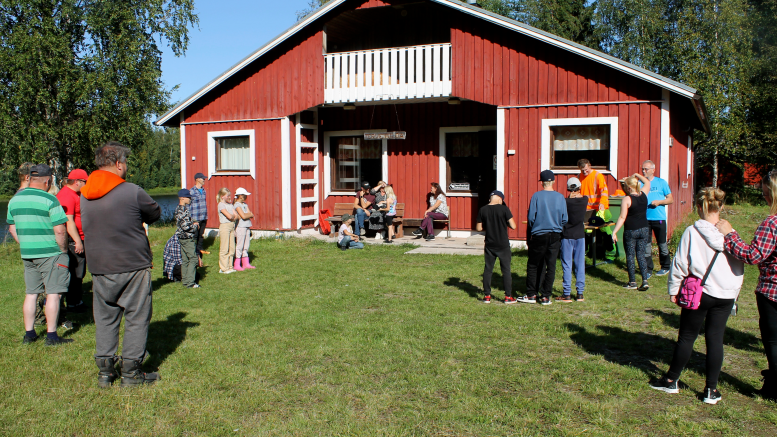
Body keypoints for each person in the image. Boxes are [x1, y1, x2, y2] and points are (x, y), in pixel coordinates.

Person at [650, 187, 744, 405]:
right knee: (715, 340)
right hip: (724, 294)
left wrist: (674, 289)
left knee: (687, 336)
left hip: (698, 292)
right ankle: (711, 390)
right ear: (721, 206)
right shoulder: (731, 233)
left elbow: (680, 264)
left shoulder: (692, 232)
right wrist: (734, 294)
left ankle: (671, 380)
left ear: (699, 206)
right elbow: (739, 265)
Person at [81, 141, 161, 387]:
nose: (126, 168)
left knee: (105, 318)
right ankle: (131, 373)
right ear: (118, 164)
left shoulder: (84, 193)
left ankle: (105, 373)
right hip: (132, 264)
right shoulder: (131, 191)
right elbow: (155, 212)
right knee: (137, 317)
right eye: (125, 163)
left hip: (99, 265)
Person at [716, 169, 777, 401]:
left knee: (773, 340)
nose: (763, 198)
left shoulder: (772, 222)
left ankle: (774, 388)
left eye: (765, 194)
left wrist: (730, 234)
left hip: (772, 291)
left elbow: (753, 255)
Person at [7, 164, 73, 346]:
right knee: (53, 293)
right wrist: (63, 250)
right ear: (47, 180)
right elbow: (60, 231)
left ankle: (29, 334)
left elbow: (13, 228)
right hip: (50, 252)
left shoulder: (14, 200)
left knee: (31, 293)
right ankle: (51, 336)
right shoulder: (50, 200)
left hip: (28, 253)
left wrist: (26, 244)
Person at [519, 170, 567, 305]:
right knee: (551, 265)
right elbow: (565, 218)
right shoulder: (560, 197)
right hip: (555, 235)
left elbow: (531, 218)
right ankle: (546, 296)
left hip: (539, 234)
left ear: (542, 182)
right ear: (553, 181)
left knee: (534, 264)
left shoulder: (536, 196)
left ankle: (531, 294)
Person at [56, 169, 89, 313]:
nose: (86, 184)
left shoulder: (74, 194)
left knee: (79, 272)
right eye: (84, 182)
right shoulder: (67, 195)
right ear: (77, 182)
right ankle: (73, 303)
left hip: (79, 237)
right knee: (75, 272)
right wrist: (77, 241)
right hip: (73, 239)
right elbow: (69, 221)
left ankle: (77, 300)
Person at [477, 190, 517, 304]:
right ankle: (508, 296)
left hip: (490, 243)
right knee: (506, 270)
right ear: (500, 199)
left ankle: (487, 296)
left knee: (488, 269)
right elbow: (513, 226)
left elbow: (479, 228)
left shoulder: (483, 210)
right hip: (503, 244)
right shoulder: (504, 209)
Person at [612, 174, 651, 290]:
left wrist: (614, 232)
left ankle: (632, 282)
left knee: (630, 255)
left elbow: (622, 217)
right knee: (641, 255)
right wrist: (638, 175)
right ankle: (645, 281)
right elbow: (648, 183)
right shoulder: (644, 195)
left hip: (631, 231)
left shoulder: (627, 199)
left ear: (629, 188)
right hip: (644, 229)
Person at [642, 160, 674, 277]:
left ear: (653, 170)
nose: (643, 171)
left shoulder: (661, 183)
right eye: (642, 169)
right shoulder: (640, 183)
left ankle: (665, 267)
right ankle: (648, 269)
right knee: (646, 244)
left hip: (659, 218)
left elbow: (670, 199)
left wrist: (660, 202)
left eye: (646, 169)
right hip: (645, 218)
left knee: (662, 243)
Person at [559, 177, 588, 302]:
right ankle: (580, 293)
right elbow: (582, 196)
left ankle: (567, 293)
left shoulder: (565, 201)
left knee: (567, 264)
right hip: (580, 235)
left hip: (567, 235)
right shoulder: (584, 200)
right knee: (580, 264)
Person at [174, 189, 200, 288]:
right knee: (193, 259)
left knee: (185, 259)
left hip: (182, 237)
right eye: (188, 198)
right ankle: (190, 282)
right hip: (186, 237)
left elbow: (185, 221)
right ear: (182, 198)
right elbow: (185, 226)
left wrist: (192, 221)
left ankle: (185, 280)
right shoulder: (182, 210)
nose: (190, 199)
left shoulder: (179, 208)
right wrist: (195, 226)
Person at [233, 187, 256, 270]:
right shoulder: (237, 205)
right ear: (241, 196)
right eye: (245, 195)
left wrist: (248, 214)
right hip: (240, 227)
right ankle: (237, 264)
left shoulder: (245, 205)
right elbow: (244, 215)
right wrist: (249, 214)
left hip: (246, 226)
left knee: (246, 245)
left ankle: (246, 263)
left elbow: (249, 214)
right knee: (240, 245)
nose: (246, 197)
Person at [189, 173, 209, 263]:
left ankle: (200, 251)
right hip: (195, 218)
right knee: (195, 235)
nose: (204, 180)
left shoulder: (204, 190)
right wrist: (191, 219)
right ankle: (193, 253)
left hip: (203, 216)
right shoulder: (192, 191)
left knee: (201, 235)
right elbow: (188, 205)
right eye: (202, 178)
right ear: (197, 179)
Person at [216, 188, 237, 274]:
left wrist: (233, 216)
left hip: (231, 226)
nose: (229, 197)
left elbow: (236, 216)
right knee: (224, 247)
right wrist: (232, 216)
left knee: (232, 247)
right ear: (222, 196)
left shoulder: (230, 205)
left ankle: (230, 266)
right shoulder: (221, 205)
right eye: (227, 195)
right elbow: (229, 216)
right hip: (224, 226)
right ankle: (223, 268)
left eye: (229, 195)